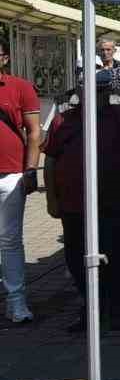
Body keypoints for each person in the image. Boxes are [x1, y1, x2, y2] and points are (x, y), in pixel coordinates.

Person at [44, 69, 120, 331]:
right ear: (78, 92)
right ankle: (91, 308)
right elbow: (51, 160)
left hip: (113, 201)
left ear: (107, 92)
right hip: (74, 204)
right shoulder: (63, 121)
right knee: (76, 258)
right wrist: (51, 198)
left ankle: (118, 307)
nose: (92, 95)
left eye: (99, 91)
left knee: (114, 256)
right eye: (86, 89)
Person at [0, 40, 41, 325]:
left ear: (4, 58)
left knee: (9, 239)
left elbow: (35, 132)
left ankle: (16, 302)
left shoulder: (20, 87)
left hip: (12, 174)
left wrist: (30, 170)